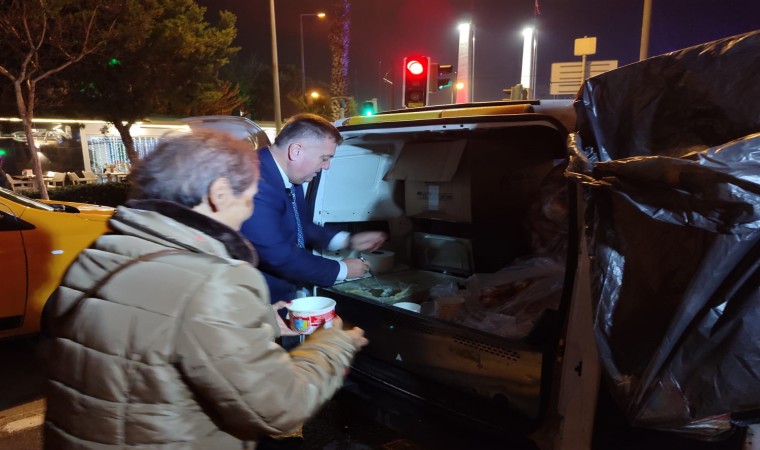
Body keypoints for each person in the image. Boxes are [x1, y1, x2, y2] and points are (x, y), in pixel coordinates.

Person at [42, 130, 368, 450]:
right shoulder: (213, 281)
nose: (249, 211)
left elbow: (154, 332)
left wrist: (261, 320)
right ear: (220, 193)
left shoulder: (99, 254)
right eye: (248, 198)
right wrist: (333, 344)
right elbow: (280, 407)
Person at [240, 113, 387, 305]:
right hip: (260, 301)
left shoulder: (288, 174)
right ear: (296, 151)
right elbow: (276, 255)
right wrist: (342, 270)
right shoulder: (255, 182)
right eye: (324, 158)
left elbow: (301, 226)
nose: (327, 166)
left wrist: (348, 240)